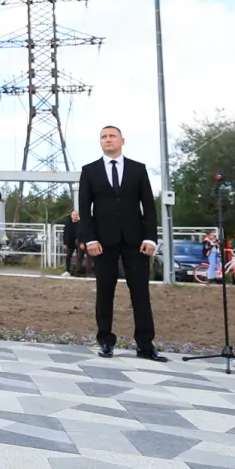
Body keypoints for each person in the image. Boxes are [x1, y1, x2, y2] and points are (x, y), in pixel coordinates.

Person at [78, 125, 164, 361]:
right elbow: (85, 209)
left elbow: (148, 205)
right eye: (103, 137)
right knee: (105, 292)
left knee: (140, 292)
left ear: (122, 140)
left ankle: (145, 345)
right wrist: (90, 239)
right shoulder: (90, 171)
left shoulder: (138, 169)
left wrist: (150, 237)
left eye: (112, 136)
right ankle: (105, 340)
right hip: (103, 243)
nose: (108, 140)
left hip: (135, 241)